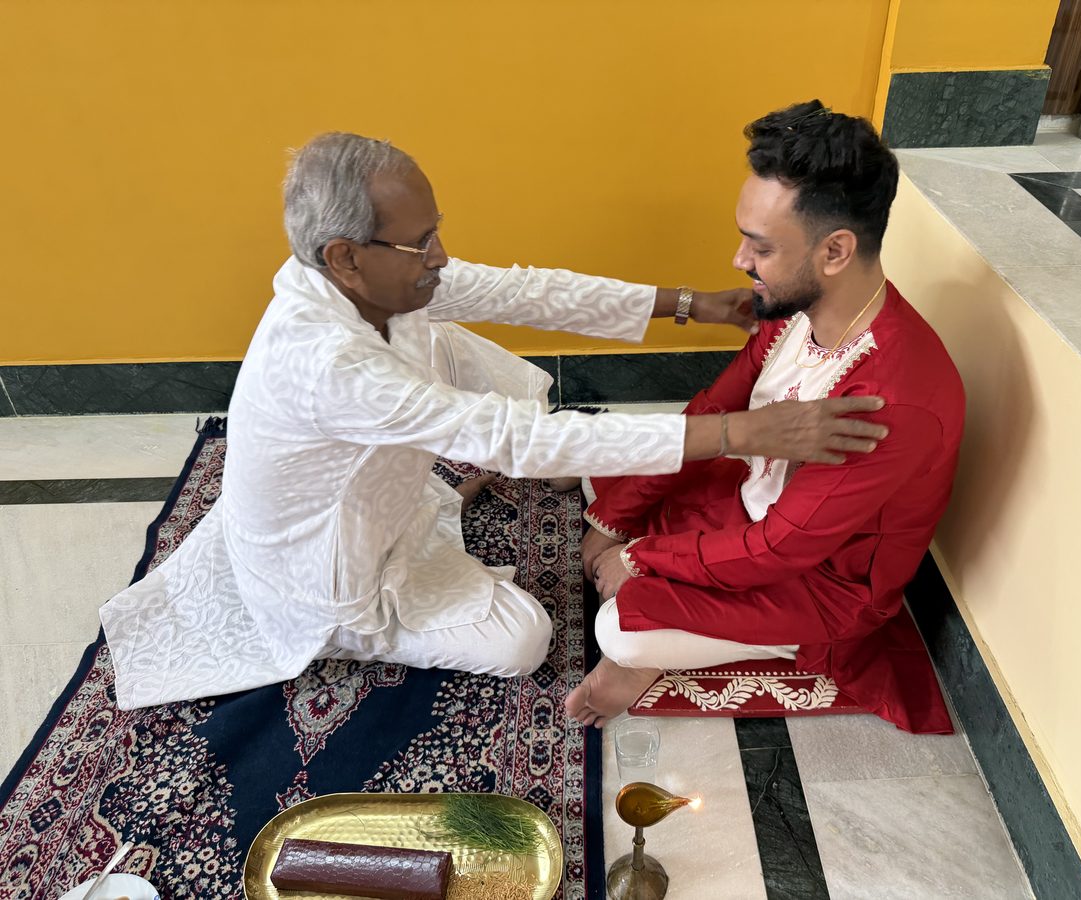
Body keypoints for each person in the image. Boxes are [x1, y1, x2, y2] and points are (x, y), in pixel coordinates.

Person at [99, 131, 890, 710]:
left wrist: (687, 305)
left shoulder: (373, 278)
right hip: (324, 579)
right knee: (523, 642)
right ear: (344, 255)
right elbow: (523, 442)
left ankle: (427, 507)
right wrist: (736, 435)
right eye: (421, 243)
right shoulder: (327, 361)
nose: (440, 256)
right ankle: (347, 627)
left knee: (450, 343)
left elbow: (525, 291)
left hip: (358, 496)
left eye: (436, 231)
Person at [566, 101, 966, 734]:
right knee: (612, 466)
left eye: (760, 246)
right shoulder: (800, 311)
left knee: (622, 627)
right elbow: (713, 411)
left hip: (820, 583)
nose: (738, 260)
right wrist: (612, 518)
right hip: (752, 503)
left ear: (835, 250)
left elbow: (778, 551)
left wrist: (640, 558)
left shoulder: (888, 400)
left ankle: (741, 650)